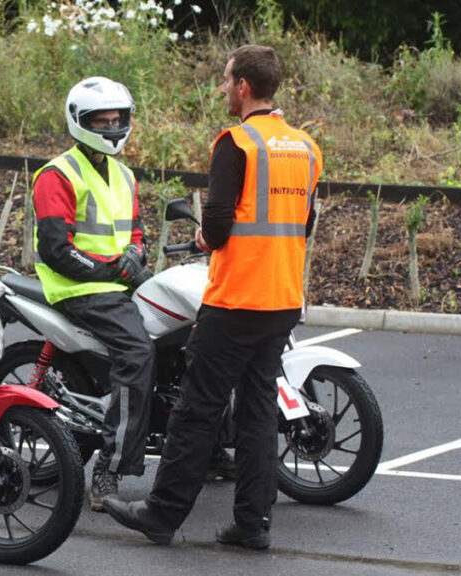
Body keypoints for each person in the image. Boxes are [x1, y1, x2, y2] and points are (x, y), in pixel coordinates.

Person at [103, 44, 323, 550]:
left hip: (237, 298)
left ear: (244, 86)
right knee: (257, 412)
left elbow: (219, 226)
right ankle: (252, 524)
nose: (223, 89)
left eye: (226, 81)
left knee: (197, 409)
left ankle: (161, 514)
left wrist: (203, 239)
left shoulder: (237, 142)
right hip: (283, 298)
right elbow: (305, 222)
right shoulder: (305, 147)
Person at [31, 76, 155, 512]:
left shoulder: (124, 174)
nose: (111, 127)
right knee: (137, 354)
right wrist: (109, 269)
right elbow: (56, 249)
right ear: (79, 122)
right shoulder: (56, 175)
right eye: (100, 120)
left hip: (119, 282)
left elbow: (137, 232)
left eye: (117, 119)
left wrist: (137, 257)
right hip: (79, 287)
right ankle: (111, 467)